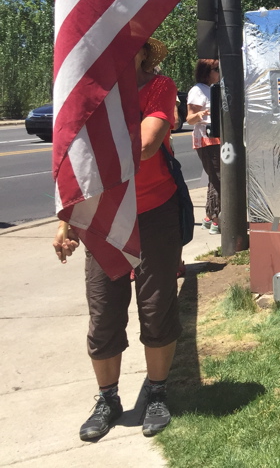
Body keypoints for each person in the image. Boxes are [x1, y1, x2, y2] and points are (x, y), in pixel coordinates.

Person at [53, 38, 183, 441]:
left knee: (156, 305)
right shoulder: (89, 97)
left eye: (129, 50)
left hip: (154, 213)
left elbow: (145, 146)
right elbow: (72, 158)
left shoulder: (160, 87)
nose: (121, 60)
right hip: (104, 218)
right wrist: (67, 222)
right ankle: (108, 399)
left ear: (144, 54)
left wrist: (98, 136)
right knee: (104, 311)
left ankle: (157, 393)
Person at [186, 59, 221, 234]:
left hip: (217, 138)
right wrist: (201, 114)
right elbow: (189, 118)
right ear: (207, 71)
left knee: (216, 177)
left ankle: (210, 216)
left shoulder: (213, 89)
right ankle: (216, 219)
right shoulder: (197, 90)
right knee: (218, 178)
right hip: (206, 139)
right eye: (216, 69)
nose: (219, 72)